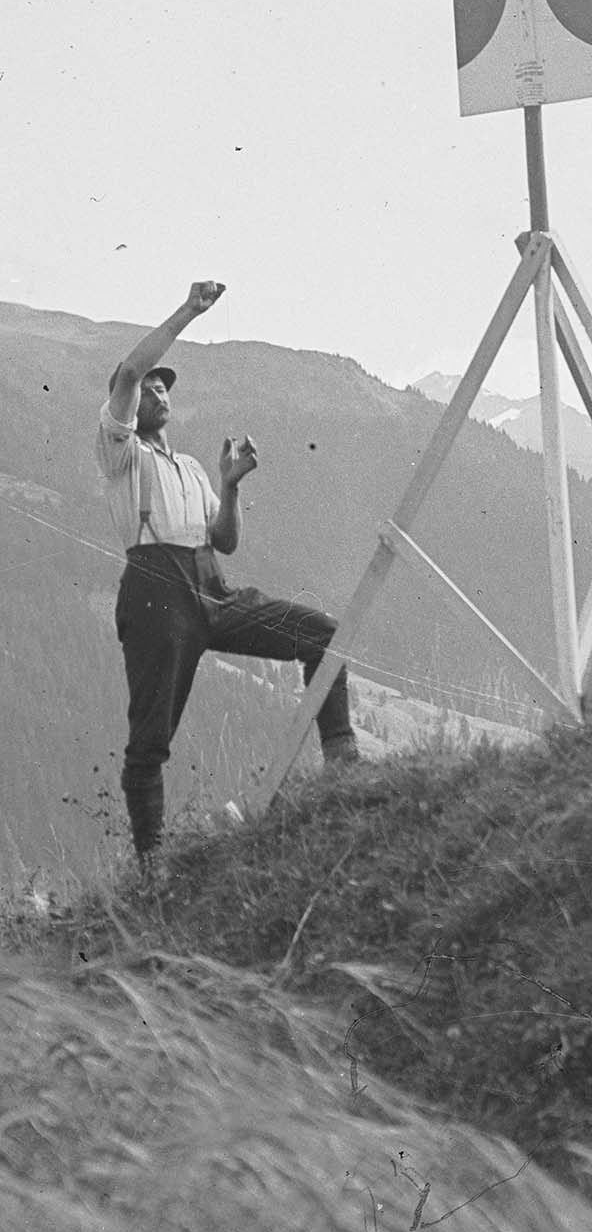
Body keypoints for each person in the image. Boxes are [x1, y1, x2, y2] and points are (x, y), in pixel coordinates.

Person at [97, 279, 359, 869]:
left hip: (210, 587)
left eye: (165, 386)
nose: (159, 391)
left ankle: (344, 766)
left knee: (323, 633)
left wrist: (231, 486)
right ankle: (152, 863)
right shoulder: (120, 452)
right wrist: (190, 309)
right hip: (154, 593)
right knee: (150, 739)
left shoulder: (189, 466)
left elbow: (226, 542)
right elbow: (132, 370)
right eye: (150, 387)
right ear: (129, 402)